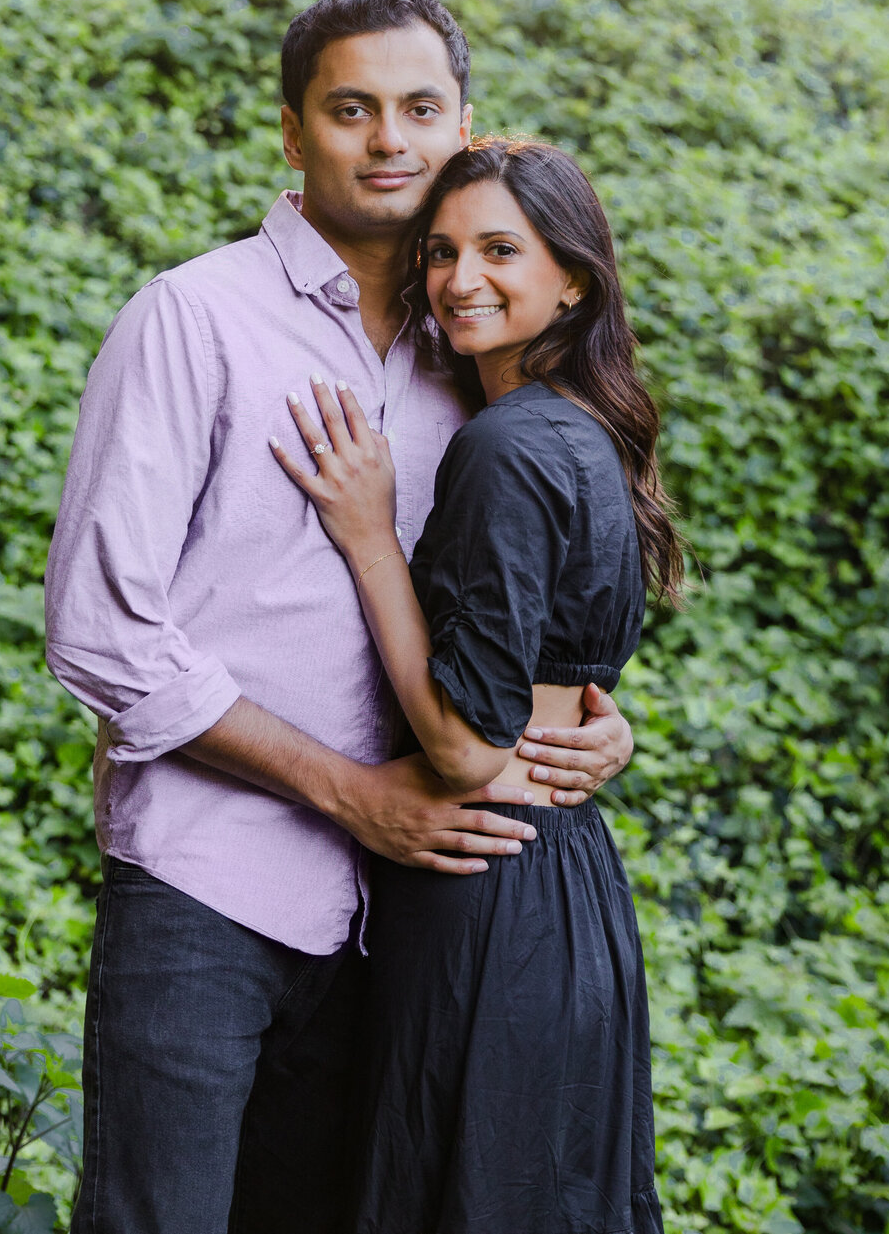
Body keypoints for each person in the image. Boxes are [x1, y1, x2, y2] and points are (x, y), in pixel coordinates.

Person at [44, 0, 636, 1234]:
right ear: (292, 131)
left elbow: (504, 605)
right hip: (213, 889)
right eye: (350, 109)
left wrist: (590, 719)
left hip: (408, 925)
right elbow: (102, 634)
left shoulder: (473, 349)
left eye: (419, 107)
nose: (387, 140)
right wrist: (347, 791)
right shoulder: (193, 321)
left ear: (463, 120)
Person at [271, 135, 684, 1234]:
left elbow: (461, 745)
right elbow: (563, 676)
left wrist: (366, 535)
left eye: (502, 249)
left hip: (486, 878)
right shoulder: (586, 434)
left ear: (574, 278)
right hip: (571, 883)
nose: (461, 279)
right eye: (443, 252)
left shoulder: (505, 445)